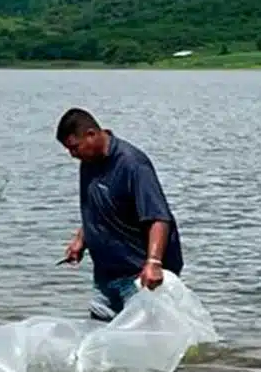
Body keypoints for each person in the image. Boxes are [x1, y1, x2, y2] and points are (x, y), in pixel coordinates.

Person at [55, 107, 183, 321]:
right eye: (69, 150)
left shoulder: (132, 164)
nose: (73, 155)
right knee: (98, 342)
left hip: (137, 276)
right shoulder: (88, 163)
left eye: (75, 148)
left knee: (141, 341)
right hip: (105, 275)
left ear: (91, 134)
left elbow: (159, 217)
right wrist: (81, 240)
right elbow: (95, 207)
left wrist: (153, 263)